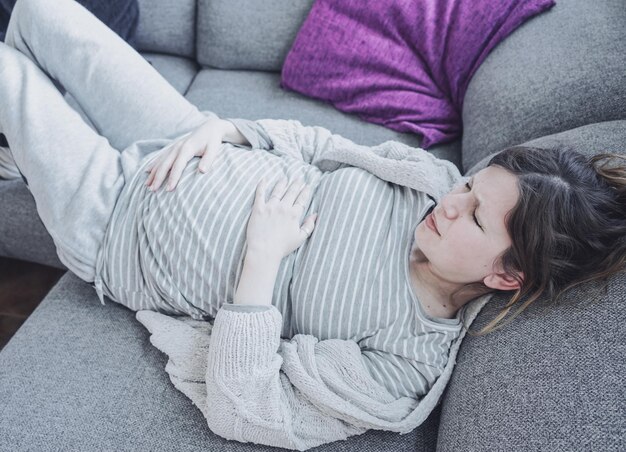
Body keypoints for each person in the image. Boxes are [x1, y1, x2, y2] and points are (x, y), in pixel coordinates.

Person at [1, 0, 624, 449]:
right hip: (183, 136)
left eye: (477, 217)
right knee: (39, 12)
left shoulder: (405, 365)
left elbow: (247, 408)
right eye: (468, 186)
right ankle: (18, 148)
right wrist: (230, 130)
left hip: (119, 225)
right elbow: (320, 143)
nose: (451, 203)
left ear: (506, 275)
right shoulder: (427, 183)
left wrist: (262, 263)